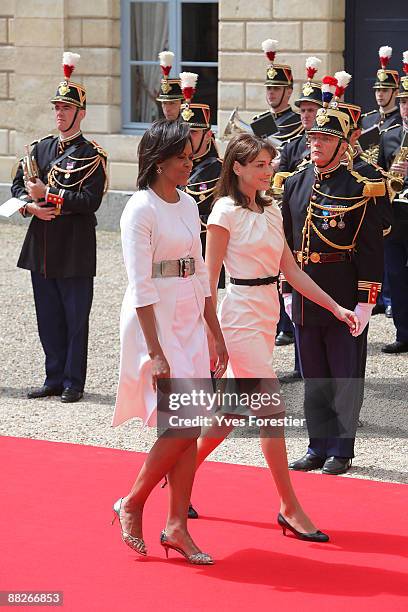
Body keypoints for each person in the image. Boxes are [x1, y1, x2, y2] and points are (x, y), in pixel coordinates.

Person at [190, 132, 359, 541]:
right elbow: (209, 282)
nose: (269, 170)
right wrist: (214, 336)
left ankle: (173, 477)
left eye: (270, 163)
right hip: (238, 314)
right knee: (271, 410)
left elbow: (293, 271)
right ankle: (289, 506)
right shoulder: (222, 213)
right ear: (238, 168)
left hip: (266, 311)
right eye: (260, 165)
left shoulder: (271, 210)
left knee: (228, 416)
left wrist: (336, 307)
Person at [111, 119, 228, 564]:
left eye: (190, 155)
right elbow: (139, 285)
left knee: (190, 423)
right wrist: (155, 352)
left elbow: (200, 271)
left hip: (188, 316)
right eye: (182, 156)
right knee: (183, 422)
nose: (190, 162)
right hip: (154, 319)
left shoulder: (189, 203)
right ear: (159, 161)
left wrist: (213, 329)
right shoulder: (139, 209)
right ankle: (134, 501)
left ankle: (176, 525)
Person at [280, 79, 385, 475]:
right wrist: (286, 291)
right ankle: (316, 445)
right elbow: (286, 245)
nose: (316, 143)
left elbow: (371, 253)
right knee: (314, 377)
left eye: (325, 138)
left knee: (343, 376)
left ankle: (342, 450)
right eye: (314, 137)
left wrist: (365, 302)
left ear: (343, 146)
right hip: (305, 296)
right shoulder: (294, 183)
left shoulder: (360, 189)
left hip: (343, 295)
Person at [11, 52, 108, 403]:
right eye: (57, 107)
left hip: (74, 246)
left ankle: (73, 382)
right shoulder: (41, 148)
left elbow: (91, 200)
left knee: (74, 318)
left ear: (80, 113)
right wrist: (32, 207)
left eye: (66, 108)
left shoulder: (93, 153)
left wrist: (52, 195)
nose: (60, 113)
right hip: (42, 245)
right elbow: (17, 188)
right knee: (48, 316)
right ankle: (52, 377)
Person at [276, 57, 323, 355]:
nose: (305, 115)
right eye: (303, 110)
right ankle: (299, 358)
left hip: (324, 226)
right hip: (295, 225)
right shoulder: (293, 147)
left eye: (311, 110)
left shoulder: (330, 143)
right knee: (292, 288)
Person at [178, 72, 225, 290]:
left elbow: (222, 218)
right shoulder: (172, 167)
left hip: (206, 255)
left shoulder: (220, 171)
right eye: (184, 132)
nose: (187, 138)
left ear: (208, 136)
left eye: (194, 133)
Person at [377, 54, 408, 354]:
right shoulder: (389, 137)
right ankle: (403, 332)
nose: (406, 108)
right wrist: (390, 176)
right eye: (402, 102)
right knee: (396, 275)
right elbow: (378, 172)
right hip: (396, 214)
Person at [251, 40, 303, 147]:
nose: (271, 92)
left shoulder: (299, 122)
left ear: (289, 92)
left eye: (276, 89)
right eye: (269, 88)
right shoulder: (259, 120)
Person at [361, 46, 401, 132]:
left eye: (385, 90)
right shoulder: (366, 120)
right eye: (378, 90)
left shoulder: (402, 120)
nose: (380, 94)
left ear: (396, 92)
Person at [156, 51, 184, 121]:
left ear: (183, 103)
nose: (167, 109)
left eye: (172, 103)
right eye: (164, 103)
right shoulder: (156, 129)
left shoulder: (190, 130)